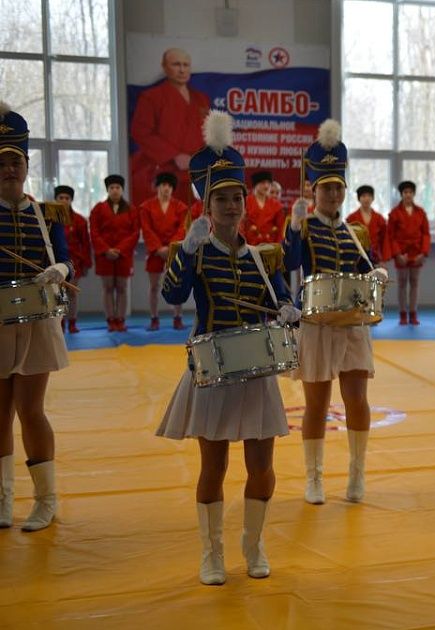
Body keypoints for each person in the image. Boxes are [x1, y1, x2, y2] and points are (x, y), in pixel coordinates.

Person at [156, 111, 298, 584]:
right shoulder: (194, 251)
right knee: (213, 467)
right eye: (222, 198)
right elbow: (172, 295)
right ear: (207, 205)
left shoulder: (262, 256)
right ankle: (211, 554)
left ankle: (252, 546)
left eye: (237, 197)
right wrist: (187, 249)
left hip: (256, 369)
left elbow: (281, 296)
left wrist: (288, 309)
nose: (233, 205)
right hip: (212, 372)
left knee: (262, 468)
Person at [284, 120, 390, 505]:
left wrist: (377, 273)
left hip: (353, 324)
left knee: (357, 399)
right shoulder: (303, 226)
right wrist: (293, 228)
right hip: (316, 324)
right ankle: (314, 478)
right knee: (316, 404)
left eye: (338, 188)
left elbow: (367, 266)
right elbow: (290, 264)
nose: (332, 194)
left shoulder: (355, 231)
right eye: (326, 187)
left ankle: (356, 475)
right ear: (313, 190)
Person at [0, 101, 75, 532]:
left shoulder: (48, 214)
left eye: (15, 162)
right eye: (1, 163)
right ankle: (3, 500)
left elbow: (66, 259)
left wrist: (59, 269)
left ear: (27, 166)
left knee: (31, 410)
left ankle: (45, 500)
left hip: (37, 323)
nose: (9, 170)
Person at [129, 48, 210, 205]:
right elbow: (141, 131)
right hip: (164, 171)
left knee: (195, 213)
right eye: (176, 64)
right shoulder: (151, 97)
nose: (182, 70)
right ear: (165, 67)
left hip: (195, 173)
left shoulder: (201, 99)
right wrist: (174, 155)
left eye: (186, 65)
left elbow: (207, 133)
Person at [90, 174, 140, 332]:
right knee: (108, 288)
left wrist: (120, 249)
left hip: (123, 255)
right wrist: (106, 250)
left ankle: (121, 319)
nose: (115, 190)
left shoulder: (132, 210)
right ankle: (110, 319)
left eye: (117, 187)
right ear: (107, 190)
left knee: (122, 288)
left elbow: (135, 233)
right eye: (111, 188)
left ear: (122, 189)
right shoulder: (98, 209)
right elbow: (94, 232)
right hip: (104, 255)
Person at [139, 172, 189, 330]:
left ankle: (177, 317)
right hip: (155, 251)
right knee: (154, 286)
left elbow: (183, 229)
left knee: (176, 283)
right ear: (158, 187)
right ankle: (154, 318)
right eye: (163, 185)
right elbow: (146, 229)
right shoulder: (146, 207)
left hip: (173, 250)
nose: (166, 188)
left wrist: (171, 247)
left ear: (172, 188)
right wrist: (158, 248)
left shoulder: (181, 207)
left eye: (169, 186)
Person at [387, 181, 430, 325]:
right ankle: (402, 314)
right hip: (401, 254)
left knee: (415, 283)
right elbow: (391, 236)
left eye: (410, 192)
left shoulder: (421, 212)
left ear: (414, 194)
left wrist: (423, 253)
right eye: (405, 192)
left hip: (417, 253)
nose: (408, 195)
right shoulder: (394, 213)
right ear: (401, 194)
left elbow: (426, 234)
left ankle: (413, 313)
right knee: (402, 284)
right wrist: (397, 254)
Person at [54, 186, 91, 334]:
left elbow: (86, 243)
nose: (64, 200)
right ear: (56, 199)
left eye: (67, 198)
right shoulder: (49, 219)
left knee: (72, 293)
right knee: (59, 293)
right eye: (61, 198)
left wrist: (87, 263)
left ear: (71, 200)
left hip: (75, 262)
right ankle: (60, 323)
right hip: (55, 262)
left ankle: (73, 322)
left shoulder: (80, 220)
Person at [347, 185, 389, 264]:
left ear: (373, 198)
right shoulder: (351, 218)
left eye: (369, 196)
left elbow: (384, 241)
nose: (366, 199)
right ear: (359, 198)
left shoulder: (380, 219)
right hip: (356, 258)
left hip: (376, 258)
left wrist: (383, 260)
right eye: (363, 196)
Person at [244, 171, 286, 246]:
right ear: (255, 185)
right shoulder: (246, 202)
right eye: (263, 183)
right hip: (249, 246)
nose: (266, 186)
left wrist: (278, 247)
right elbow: (241, 226)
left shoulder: (276, 205)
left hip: (271, 247)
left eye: (269, 183)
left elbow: (280, 229)